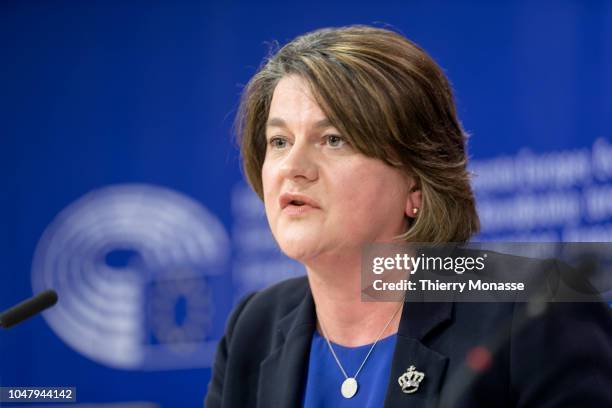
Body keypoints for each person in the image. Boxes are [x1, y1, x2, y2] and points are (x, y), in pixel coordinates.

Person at [205, 25, 612, 407]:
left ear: (416, 181)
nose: (293, 166)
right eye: (279, 141)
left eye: (333, 139)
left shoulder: (530, 311)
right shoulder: (254, 326)